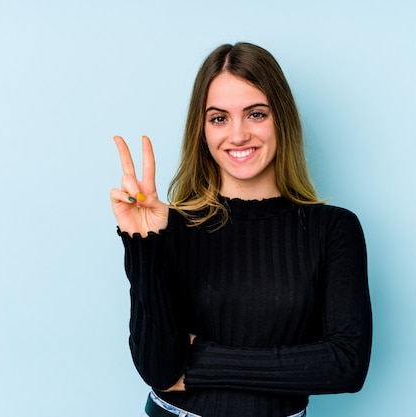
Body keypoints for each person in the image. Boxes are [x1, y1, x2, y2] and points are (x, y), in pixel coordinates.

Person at [110, 42, 372, 417]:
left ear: (281, 118)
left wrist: (199, 359)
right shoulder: (171, 225)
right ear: (202, 130)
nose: (237, 135)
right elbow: (159, 370)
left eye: (256, 114)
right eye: (219, 118)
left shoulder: (333, 229)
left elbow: (345, 365)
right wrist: (143, 242)